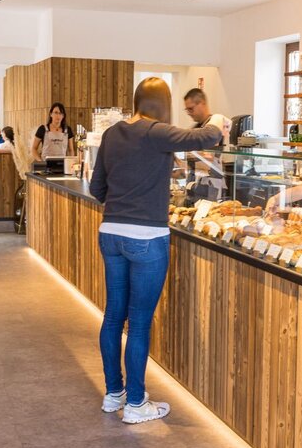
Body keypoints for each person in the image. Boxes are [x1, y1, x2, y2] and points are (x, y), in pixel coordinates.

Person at [90, 77, 223, 424]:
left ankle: (113, 394)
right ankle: (136, 404)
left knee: (113, 316)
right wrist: (220, 117)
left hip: (111, 233)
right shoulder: (156, 132)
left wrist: (122, 201)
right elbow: (209, 136)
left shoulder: (112, 133)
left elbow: (96, 188)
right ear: (161, 104)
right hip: (147, 238)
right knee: (139, 325)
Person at [181, 88, 232, 202]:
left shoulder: (216, 127)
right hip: (193, 188)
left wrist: (185, 155)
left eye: (191, 108)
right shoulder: (194, 129)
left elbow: (209, 156)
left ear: (202, 104)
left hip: (211, 189)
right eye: (187, 110)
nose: (189, 113)